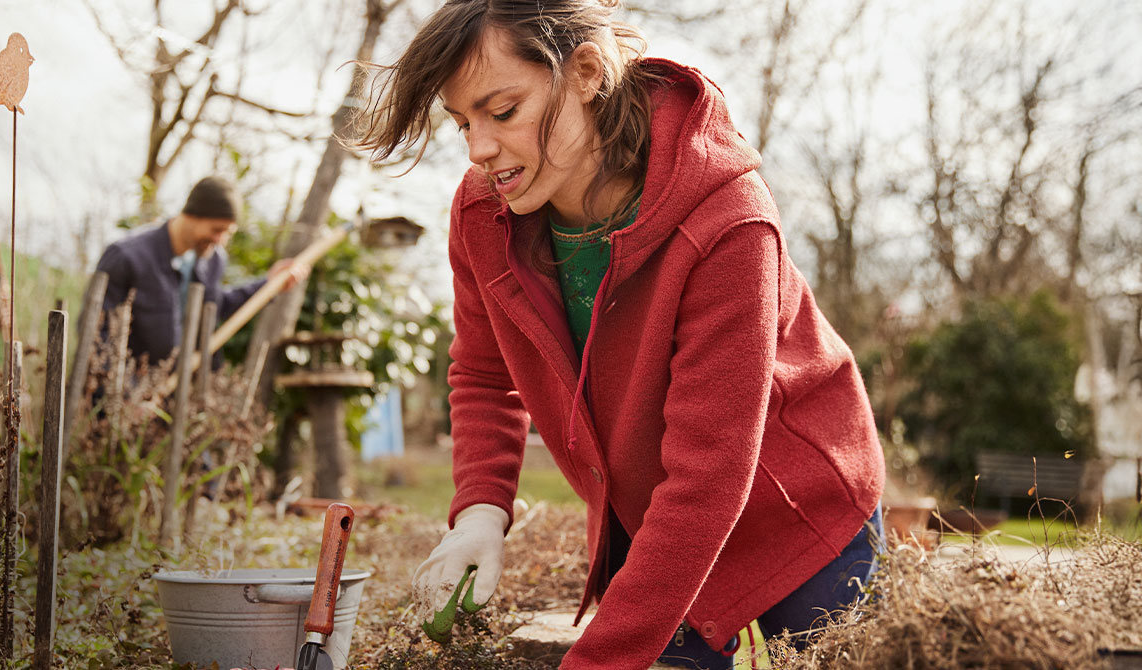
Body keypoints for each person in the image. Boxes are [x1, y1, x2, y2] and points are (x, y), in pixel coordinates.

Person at [355, 1, 885, 668]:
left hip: (799, 518)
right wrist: (480, 511)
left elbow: (709, 475)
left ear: (584, 72)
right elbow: (486, 375)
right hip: (661, 524)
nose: (479, 148)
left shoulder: (727, 221)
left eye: (503, 110)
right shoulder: (482, 215)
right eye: (463, 122)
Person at [95, 176, 307, 370]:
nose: (220, 240)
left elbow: (214, 306)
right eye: (216, 230)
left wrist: (268, 284)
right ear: (190, 215)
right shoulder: (127, 257)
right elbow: (98, 337)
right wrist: (128, 396)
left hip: (177, 392)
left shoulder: (212, 260)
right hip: (127, 395)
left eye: (227, 233)